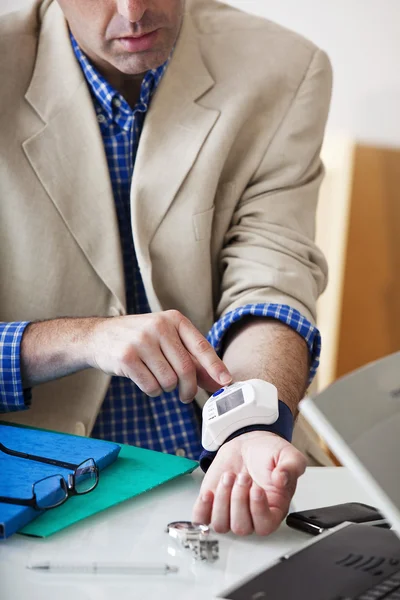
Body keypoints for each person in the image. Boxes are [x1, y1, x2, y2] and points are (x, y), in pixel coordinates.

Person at [0, 0, 332, 537]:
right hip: (37, 490)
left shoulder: (285, 67)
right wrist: (80, 340)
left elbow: (273, 275)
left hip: (242, 462)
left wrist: (251, 425)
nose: (134, 10)